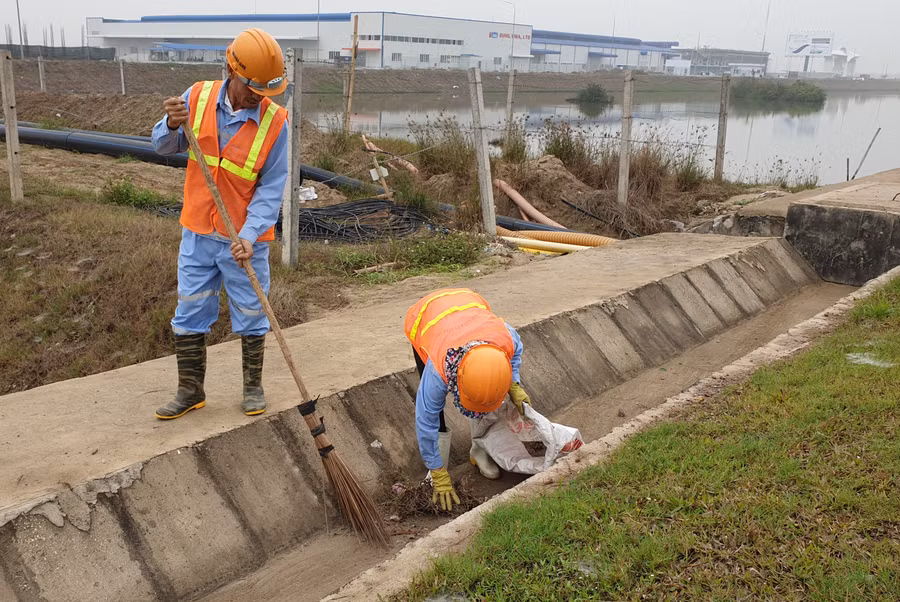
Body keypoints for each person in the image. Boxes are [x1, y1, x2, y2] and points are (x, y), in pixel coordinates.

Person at [152, 28, 289, 420]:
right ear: (231, 70)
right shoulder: (196, 97)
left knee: (251, 311)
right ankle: (190, 391)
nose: (258, 96)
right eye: (252, 88)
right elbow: (162, 146)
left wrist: (249, 235)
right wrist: (171, 124)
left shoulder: (275, 122)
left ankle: (252, 387)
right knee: (190, 309)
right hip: (198, 231)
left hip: (244, 240)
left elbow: (271, 187)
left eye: (265, 90)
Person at [404, 288, 532, 511]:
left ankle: (479, 451)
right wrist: (437, 470)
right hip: (425, 319)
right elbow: (425, 421)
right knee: (436, 417)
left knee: (485, 391)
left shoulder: (506, 338)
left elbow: (515, 352)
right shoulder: (438, 370)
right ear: (458, 380)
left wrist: (513, 383)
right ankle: (436, 473)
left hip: (469, 307)